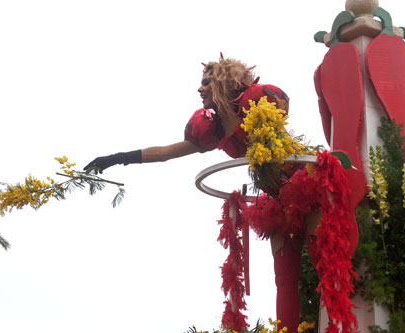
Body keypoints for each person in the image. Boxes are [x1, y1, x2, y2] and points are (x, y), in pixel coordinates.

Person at [84, 55, 348, 333]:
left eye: (206, 83)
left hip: (305, 185)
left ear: (224, 80)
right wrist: (115, 158)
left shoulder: (255, 102)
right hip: (279, 198)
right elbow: (164, 154)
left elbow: (284, 108)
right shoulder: (212, 129)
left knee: (327, 267)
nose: (200, 89)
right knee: (283, 280)